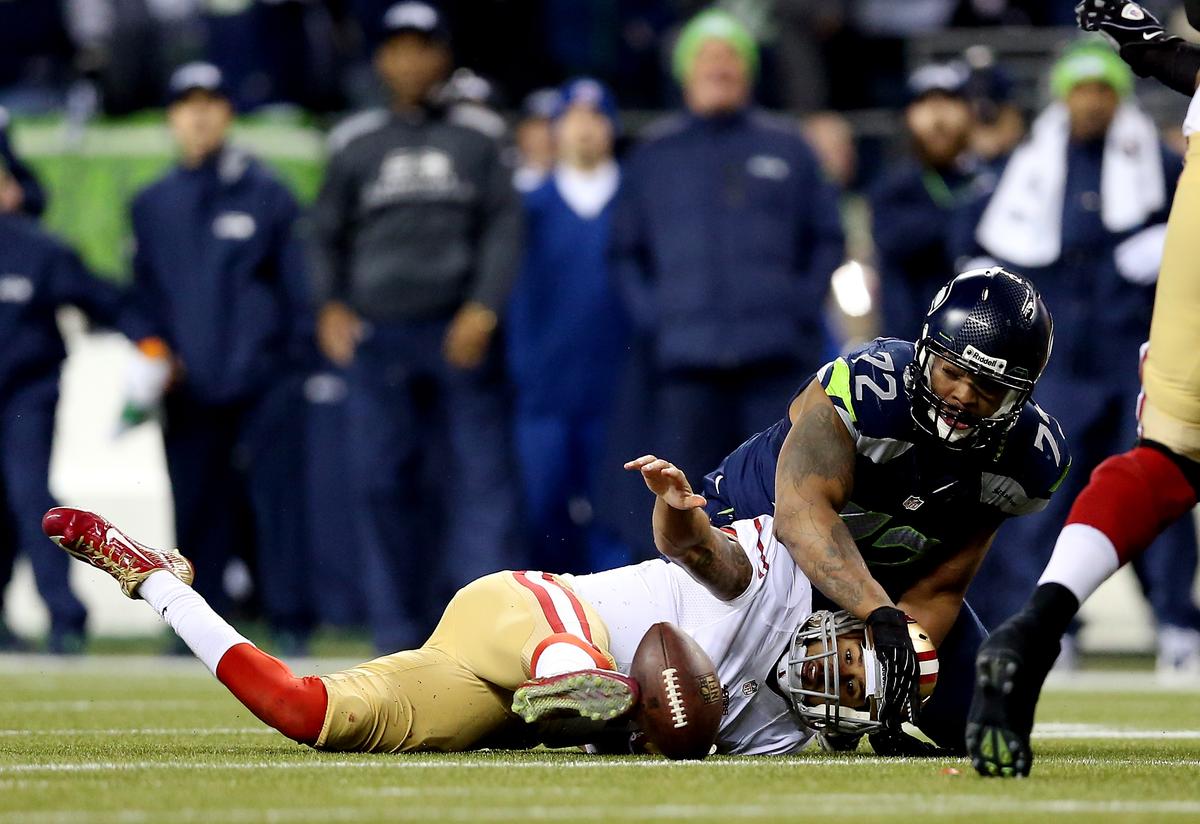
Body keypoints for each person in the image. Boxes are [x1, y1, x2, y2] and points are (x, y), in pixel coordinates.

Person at [43, 451, 938, 756]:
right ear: (859, 626)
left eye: (861, 693)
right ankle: (578, 684)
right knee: (597, 683)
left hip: (494, 694)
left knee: (305, 713)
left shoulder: (788, 737)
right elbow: (707, 559)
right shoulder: (784, 573)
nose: (842, 679)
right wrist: (675, 512)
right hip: (527, 614)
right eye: (860, 659)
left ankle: (150, 575)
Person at [968, 0, 1200, 778]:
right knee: (1055, 481)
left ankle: (1040, 621)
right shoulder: (1040, 166)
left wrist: (1151, 48)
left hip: (1175, 283)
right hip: (1073, 354)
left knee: (1165, 461)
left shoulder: (1157, 155)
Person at [702, 267, 1067, 753]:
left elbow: (941, 587)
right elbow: (802, 519)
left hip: (881, 578)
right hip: (757, 549)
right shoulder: (866, 390)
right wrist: (877, 614)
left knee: (982, 724)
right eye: (952, 371)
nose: (961, 394)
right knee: (691, 701)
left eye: (986, 386)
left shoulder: (1023, 461)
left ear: (1018, 397)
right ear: (924, 354)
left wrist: (891, 684)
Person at [309, 2, 523, 651]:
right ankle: (396, 636)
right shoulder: (354, 140)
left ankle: (485, 636)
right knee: (381, 484)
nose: (410, 61)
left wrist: (484, 306)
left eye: (423, 47)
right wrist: (330, 305)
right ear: (381, 59)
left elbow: (505, 226)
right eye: (397, 47)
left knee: (479, 484)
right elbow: (323, 234)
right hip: (379, 338)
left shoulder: (481, 134)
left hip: (459, 334)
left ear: (443, 56)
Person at [123, 61, 314, 650]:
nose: (199, 114)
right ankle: (196, 628)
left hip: (263, 381)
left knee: (277, 503)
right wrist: (154, 350)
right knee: (196, 506)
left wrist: (290, 366)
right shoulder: (151, 203)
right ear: (172, 118)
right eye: (188, 103)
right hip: (187, 383)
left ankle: (287, 621)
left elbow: (298, 289)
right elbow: (142, 295)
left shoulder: (269, 192)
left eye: (211, 101)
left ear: (228, 113)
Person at [611, 7, 844, 489]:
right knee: (685, 499)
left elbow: (827, 236)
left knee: (779, 498)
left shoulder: (789, 146)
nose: (720, 66)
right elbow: (625, 253)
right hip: (684, 367)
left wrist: (797, 309)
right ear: (684, 72)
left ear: (749, 70)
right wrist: (657, 320)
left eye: (731, 56)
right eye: (707, 56)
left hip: (775, 362)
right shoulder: (653, 154)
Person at [0, 162, 144, 652]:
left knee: (27, 493)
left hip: (25, 395)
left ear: (14, 191)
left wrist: (150, 338)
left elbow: (103, 298)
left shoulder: (39, 249)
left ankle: (65, 617)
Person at [507, 78, 630, 574]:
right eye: (573, 117)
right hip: (544, 391)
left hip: (618, 390)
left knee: (618, 512)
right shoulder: (526, 207)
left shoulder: (636, 200)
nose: (585, 128)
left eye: (596, 116)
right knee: (543, 506)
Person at [871, 60, 988, 339]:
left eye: (949, 103)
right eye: (925, 105)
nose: (937, 119)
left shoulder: (992, 180)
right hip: (911, 346)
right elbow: (897, 241)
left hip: (984, 347)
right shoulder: (894, 188)